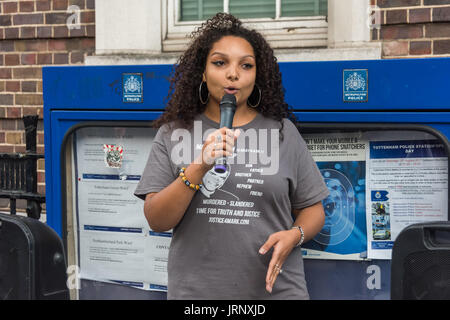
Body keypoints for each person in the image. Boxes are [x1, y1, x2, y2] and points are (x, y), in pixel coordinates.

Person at [134, 12, 329, 300]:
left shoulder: (282, 132)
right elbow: (157, 219)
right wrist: (199, 166)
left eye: (246, 65)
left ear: (256, 75)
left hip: (276, 292)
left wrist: (294, 235)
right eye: (220, 63)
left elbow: (313, 210)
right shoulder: (173, 134)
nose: (233, 74)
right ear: (203, 71)